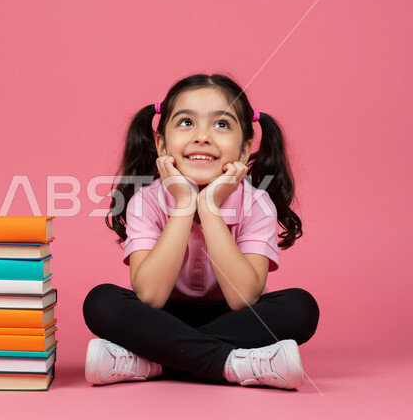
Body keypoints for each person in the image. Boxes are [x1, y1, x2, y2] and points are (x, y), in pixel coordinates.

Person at [82, 73, 320, 390]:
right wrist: (183, 203)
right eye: (186, 123)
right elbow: (150, 297)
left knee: (300, 308)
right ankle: (236, 364)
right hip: (159, 319)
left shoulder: (257, 202)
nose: (203, 137)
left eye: (221, 125)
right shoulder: (146, 200)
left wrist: (209, 207)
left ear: (245, 148)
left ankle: (150, 362)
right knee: (102, 302)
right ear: (161, 143)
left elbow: (243, 299)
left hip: (236, 319)